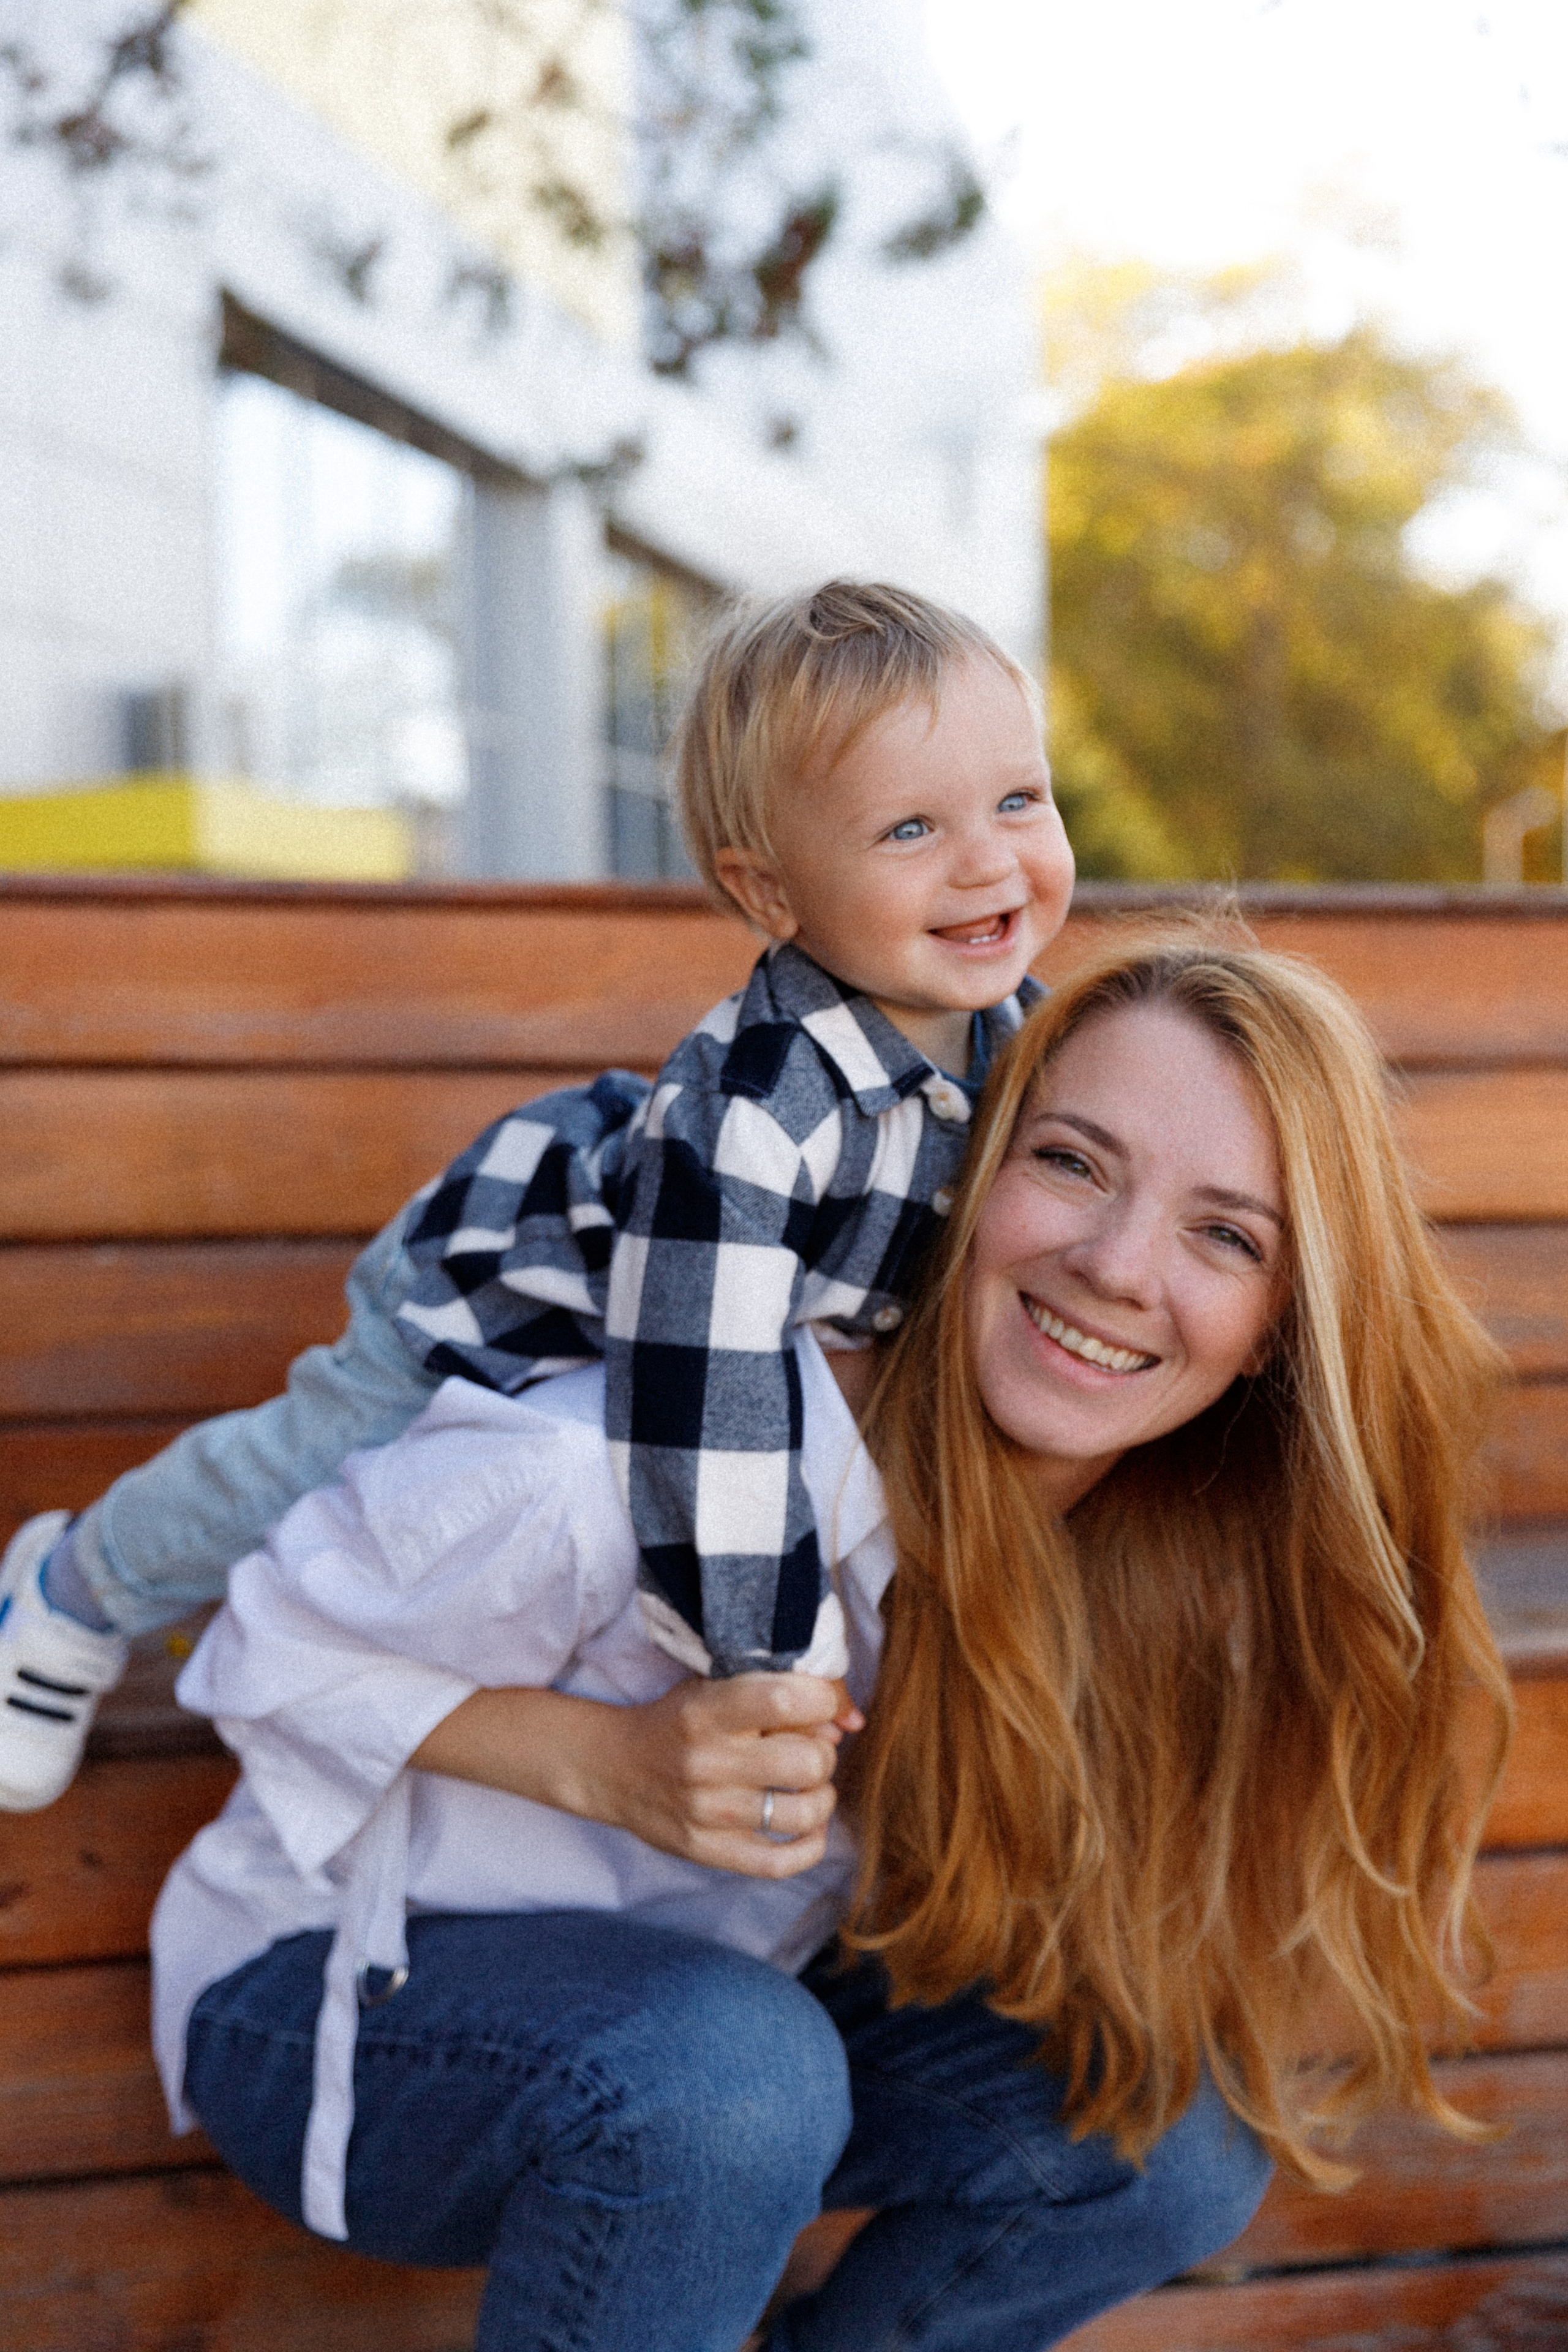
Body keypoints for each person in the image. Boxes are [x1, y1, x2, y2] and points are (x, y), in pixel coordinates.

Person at [150, 934, 1511, 2352]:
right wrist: (603, 1761)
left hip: (721, 2012)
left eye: (1223, 1234)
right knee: (737, 2071)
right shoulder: (624, 1462)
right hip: (337, 2001)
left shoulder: (1146, 1549)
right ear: (966, 1180)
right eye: (1070, 1164)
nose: (1115, 1266)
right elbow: (256, 1646)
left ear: (1279, 1329)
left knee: (1155, 2138)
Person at [0, 579, 1075, 1809]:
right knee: (300, 1465)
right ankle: (73, 1588)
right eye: (909, 832)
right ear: (771, 894)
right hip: (491, 1291)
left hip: (652, 1346)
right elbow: (702, 1397)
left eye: (1016, 801)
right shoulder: (749, 1117)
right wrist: (769, 1654)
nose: (989, 860)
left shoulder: (1024, 1037)